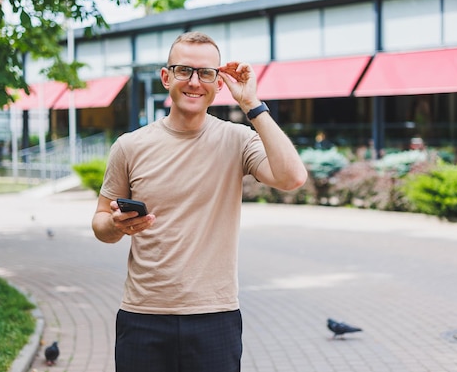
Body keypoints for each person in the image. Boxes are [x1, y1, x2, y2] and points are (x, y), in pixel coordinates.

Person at [91, 31, 307, 372]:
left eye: (206, 73)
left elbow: (292, 177)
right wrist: (116, 225)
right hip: (143, 316)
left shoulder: (238, 139)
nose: (194, 82)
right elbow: (100, 222)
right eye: (183, 70)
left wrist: (252, 104)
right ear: (166, 77)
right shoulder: (130, 146)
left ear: (219, 82)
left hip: (215, 317)